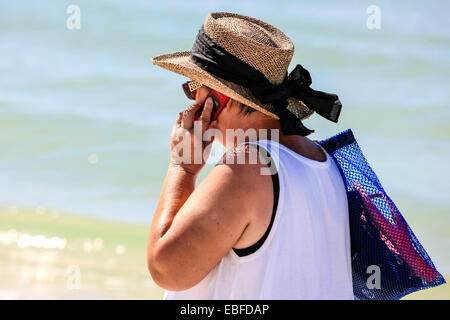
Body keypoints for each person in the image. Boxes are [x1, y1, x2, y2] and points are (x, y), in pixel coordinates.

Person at [147, 12, 353, 299]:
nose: (191, 102)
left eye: (194, 87)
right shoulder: (324, 161)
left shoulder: (247, 167)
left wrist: (182, 167)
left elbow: (165, 268)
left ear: (220, 98)